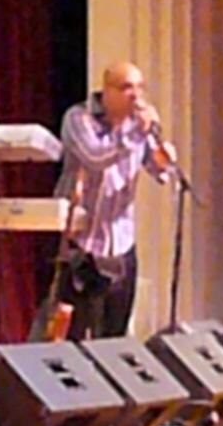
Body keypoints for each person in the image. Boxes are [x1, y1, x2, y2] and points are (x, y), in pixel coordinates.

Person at [52, 61, 175, 339]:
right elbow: (95, 157)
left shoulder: (138, 126)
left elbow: (159, 171)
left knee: (113, 338)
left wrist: (164, 159)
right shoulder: (79, 118)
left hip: (121, 245)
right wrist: (135, 134)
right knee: (70, 334)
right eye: (126, 87)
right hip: (81, 244)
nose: (136, 95)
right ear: (106, 91)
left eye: (140, 87)